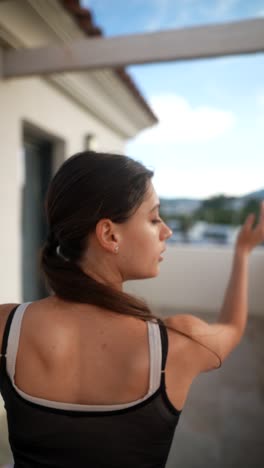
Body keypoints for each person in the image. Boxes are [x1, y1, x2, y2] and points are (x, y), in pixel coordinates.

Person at [0, 151, 263, 468]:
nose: (167, 231)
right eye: (154, 219)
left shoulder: (6, 327)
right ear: (110, 234)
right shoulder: (178, 343)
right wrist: (242, 253)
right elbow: (233, 328)